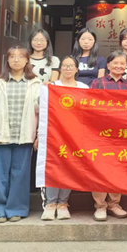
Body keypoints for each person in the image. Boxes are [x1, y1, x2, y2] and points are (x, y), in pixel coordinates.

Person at [0, 45, 41, 224]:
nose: (16, 60)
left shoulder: (35, 83)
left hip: (25, 136)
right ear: (7, 60)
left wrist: (39, 135)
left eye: (20, 56)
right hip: (0, 135)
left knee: (20, 175)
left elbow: (41, 111)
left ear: (27, 60)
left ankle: (17, 209)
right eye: (12, 56)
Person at [41, 56, 89, 221]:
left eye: (71, 66)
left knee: (70, 166)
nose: (68, 69)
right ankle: (50, 203)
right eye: (65, 66)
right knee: (54, 166)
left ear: (77, 69)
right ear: (60, 68)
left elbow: (88, 112)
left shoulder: (83, 88)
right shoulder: (51, 87)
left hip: (75, 135)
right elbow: (42, 112)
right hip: (54, 134)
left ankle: (63, 203)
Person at [88, 50, 127, 221]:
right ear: (108, 65)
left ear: (126, 66)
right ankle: (100, 205)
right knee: (99, 168)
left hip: (120, 133)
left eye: (122, 63)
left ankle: (114, 204)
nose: (118, 66)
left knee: (118, 168)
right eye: (115, 63)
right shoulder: (97, 82)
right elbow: (89, 107)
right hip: (99, 133)